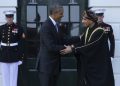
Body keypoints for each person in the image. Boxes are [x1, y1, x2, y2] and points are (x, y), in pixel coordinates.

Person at [60, 9, 115, 86]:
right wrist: (72, 46)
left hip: (99, 69)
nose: (82, 21)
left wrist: (72, 49)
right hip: (90, 68)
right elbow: (82, 42)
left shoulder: (100, 31)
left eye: (84, 19)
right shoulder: (88, 30)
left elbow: (90, 46)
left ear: (91, 20)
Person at [36, 4, 66, 86]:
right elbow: (51, 46)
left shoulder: (56, 25)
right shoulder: (46, 26)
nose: (62, 15)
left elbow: (63, 40)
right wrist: (66, 48)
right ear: (54, 13)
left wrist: (80, 37)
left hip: (54, 67)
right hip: (46, 67)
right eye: (61, 13)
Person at [0, 10, 25, 86]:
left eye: (11, 17)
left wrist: (21, 57)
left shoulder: (19, 28)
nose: (9, 19)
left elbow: (22, 44)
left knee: (13, 77)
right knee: (5, 76)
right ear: (6, 18)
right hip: (3, 55)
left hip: (14, 55)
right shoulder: (1, 28)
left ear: (13, 17)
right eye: (8, 17)